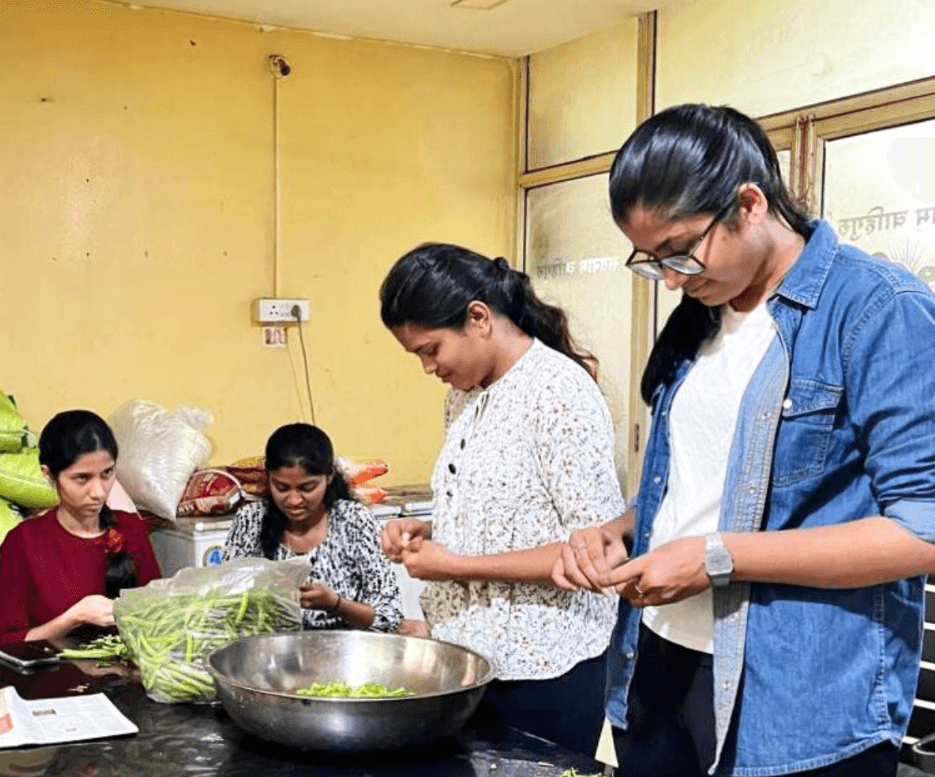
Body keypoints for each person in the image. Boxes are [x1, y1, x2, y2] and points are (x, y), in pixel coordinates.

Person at [553, 103, 935, 777]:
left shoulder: (878, 308)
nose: (673, 278)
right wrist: (621, 531)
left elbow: (920, 531)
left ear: (750, 204)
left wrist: (716, 557)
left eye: (681, 250)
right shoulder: (703, 312)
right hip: (659, 664)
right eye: (651, 261)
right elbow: (706, 486)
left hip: (795, 693)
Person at [378, 243, 626, 757]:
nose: (427, 367)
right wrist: (431, 532)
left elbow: (595, 553)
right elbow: (507, 512)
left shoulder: (558, 392)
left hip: (545, 670)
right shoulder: (463, 395)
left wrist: (457, 566)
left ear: (479, 319)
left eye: (431, 349)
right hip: (471, 661)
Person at [0, 410, 161, 645]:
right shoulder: (24, 542)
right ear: (49, 476)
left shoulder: (130, 529)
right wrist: (74, 618)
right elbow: (4, 642)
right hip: (54, 668)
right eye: (82, 478)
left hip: (127, 665)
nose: (98, 492)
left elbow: (158, 619)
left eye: (107, 473)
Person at [223, 423, 404, 633]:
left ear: (329, 477)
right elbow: (226, 604)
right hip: (268, 649)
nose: (293, 500)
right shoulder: (250, 521)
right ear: (268, 477)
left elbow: (389, 615)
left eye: (307, 488)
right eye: (281, 487)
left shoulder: (354, 521)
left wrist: (336, 604)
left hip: (342, 649)